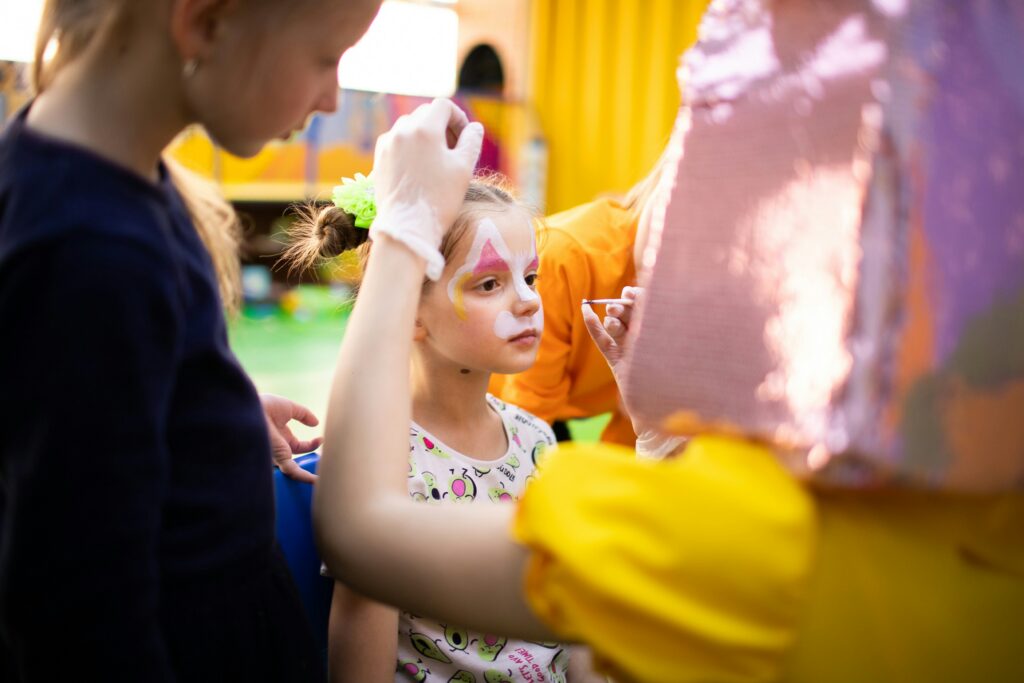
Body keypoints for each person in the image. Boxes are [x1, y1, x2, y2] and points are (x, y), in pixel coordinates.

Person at [311, 1, 1024, 682]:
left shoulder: (757, 537)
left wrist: (404, 231)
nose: (531, 296)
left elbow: (363, 532)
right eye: (499, 283)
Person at [0, 1, 484, 680]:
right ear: (204, 21)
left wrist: (205, 411)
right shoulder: (86, 254)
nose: (332, 95)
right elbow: (80, 615)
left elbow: (83, 405)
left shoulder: (104, 174)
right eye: (325, 58)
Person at [285, 176, 601, 682]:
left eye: (531, 278)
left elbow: (571, 625)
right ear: (408, 310)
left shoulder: (537, 440)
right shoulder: (381, 464)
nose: (527, 302)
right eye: (490, 284)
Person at [488, 160, 666, 448]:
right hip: (502, 404)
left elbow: (636, 432)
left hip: (561, 406)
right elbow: (525, 418)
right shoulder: (567, 259)